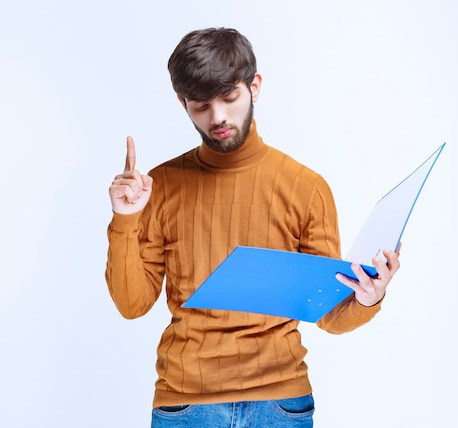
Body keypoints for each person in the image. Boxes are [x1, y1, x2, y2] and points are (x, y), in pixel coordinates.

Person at [106, 27, 400, 428]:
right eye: (201, 106)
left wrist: (368, 297)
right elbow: (132, 305)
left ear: (254, 86)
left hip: (280, 403)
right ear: (182, 103)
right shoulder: (160, 186)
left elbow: (329, 314)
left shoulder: (305, 188)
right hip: (186, 404)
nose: (218, 117)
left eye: (229, 98)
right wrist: (125, 219)